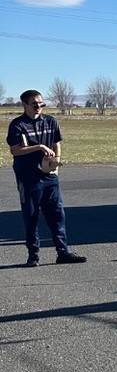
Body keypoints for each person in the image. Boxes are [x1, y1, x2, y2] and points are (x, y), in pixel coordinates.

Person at [7, 89, 87, 266]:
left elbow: (56, 144)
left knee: (57, 214)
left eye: (41, 104)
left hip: (49, 176)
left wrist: (55, 165)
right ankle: (33, 255)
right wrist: (39, 147)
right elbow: (15, 150)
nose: (38, 107)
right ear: (25, 105)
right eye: (34, 104)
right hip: (28, 177)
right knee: (32, 216)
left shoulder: (50, 122)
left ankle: (62, 252)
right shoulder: (18, 125)